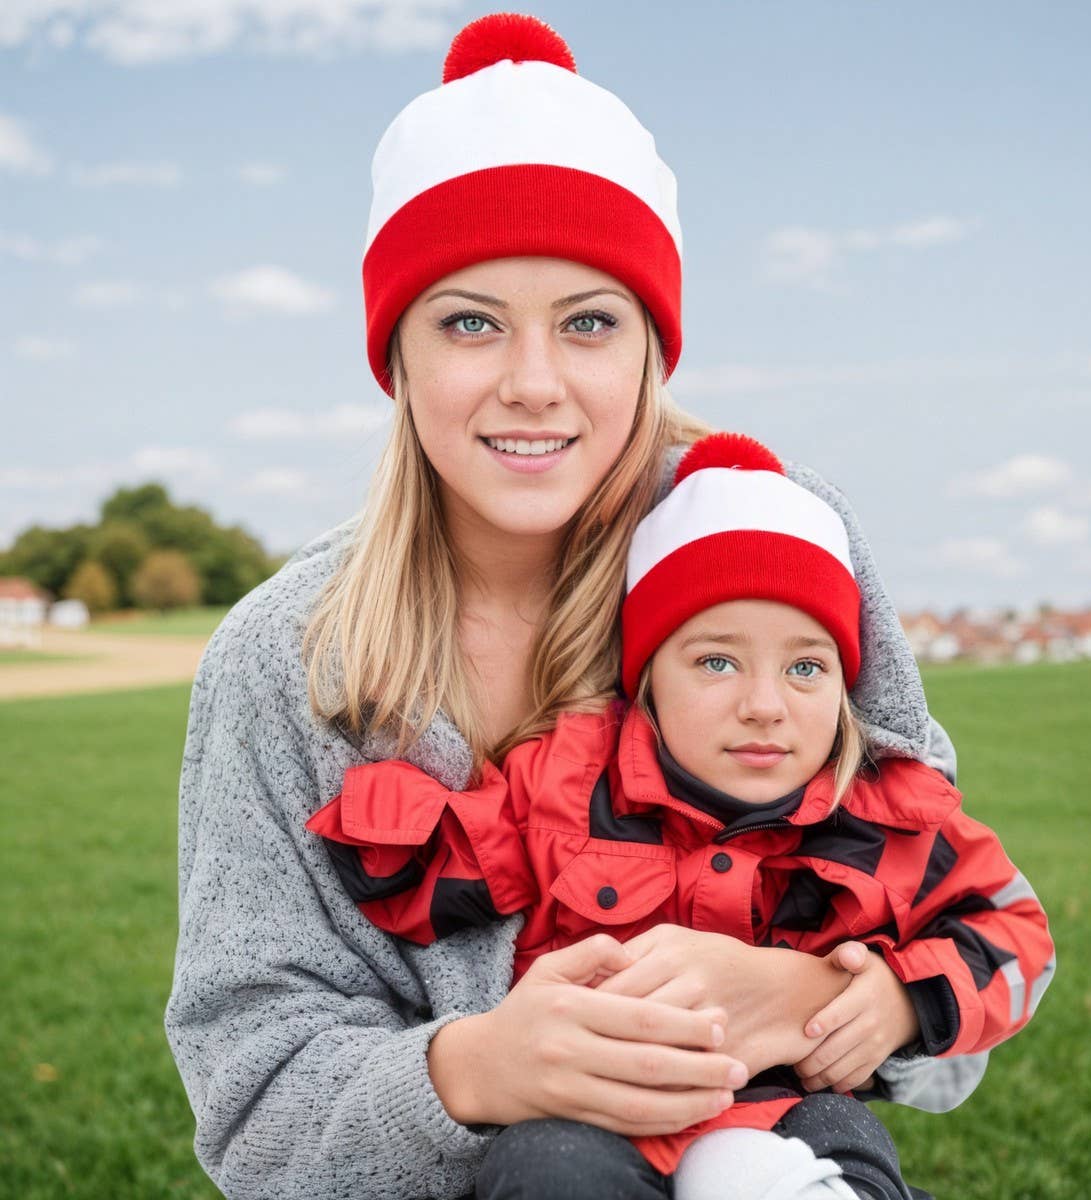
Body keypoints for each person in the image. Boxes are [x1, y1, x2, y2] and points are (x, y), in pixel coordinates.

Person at [165, 13, 1007, 1200]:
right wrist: (472, 1073)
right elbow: (253, 1111)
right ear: (396, 352)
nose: (533, 383)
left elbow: (956, 944)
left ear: (652, 347)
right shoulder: (285, 660)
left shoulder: (777, 537)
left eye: (589, 322)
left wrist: (813, 996)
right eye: (470, 321)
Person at [307, 432, 1056, 1200]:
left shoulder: (886, 813)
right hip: (599, 1105)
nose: (764, 705)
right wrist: (386, 816)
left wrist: (905, 1000)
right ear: (648, 678)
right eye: (716, 662)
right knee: (539, 1167)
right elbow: (456, 859)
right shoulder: (569, 778)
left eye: (805, 667)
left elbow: (1016, 938)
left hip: (785, 1106)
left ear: (846, 683)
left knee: (846, 1147)